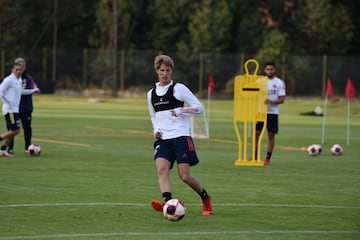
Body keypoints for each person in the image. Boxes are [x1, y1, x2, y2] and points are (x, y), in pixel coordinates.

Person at [147, 54, 213, 216]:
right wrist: (156, 129)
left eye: (168, 70)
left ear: (172, 71)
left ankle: (205, 198)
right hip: (163, 139)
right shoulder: (151, 94)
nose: (165, 73)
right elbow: (153, 115)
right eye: (162, 70)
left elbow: (199, 108)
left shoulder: (179, 89)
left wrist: (180, 110)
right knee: (161, 169)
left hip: (180, 137)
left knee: (184, 176)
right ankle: (167, 202)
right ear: (157, 71)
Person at [7, 58, 40, 155]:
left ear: (24, 67)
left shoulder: (28, 79)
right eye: (18, 65)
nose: (20, 68)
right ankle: (10, 148)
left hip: (26, 108)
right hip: (13, 108)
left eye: (22, 66)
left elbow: (33, 88)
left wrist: (34, 90)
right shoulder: (10, 79)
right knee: (12, 129)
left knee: (27, 128)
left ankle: (27, 147)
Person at [255, 62, 286, 166]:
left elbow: (282, 99)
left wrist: (271, 102)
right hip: (261, 112)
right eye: (267, 69)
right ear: (264, 70)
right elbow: (250, 90)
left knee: (271, 135)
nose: (269, 71)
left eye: (271, 69)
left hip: (273, 113)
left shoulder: (279, 83)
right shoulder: (260, 81)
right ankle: (255, 156)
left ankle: (268, 157)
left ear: (274, 70)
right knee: (256, 134)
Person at [0, 62, 24, 157]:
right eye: (16, 69)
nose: (18, 71)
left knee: (13, 130)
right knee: (15, 130)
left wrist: (33, 91)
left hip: (15, 109)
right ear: (12, 70)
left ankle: (2, 150)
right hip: (10, 109)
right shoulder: (9, 80)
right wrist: (8, 102)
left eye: (20, 69)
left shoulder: (19, 80)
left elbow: (21, 92)